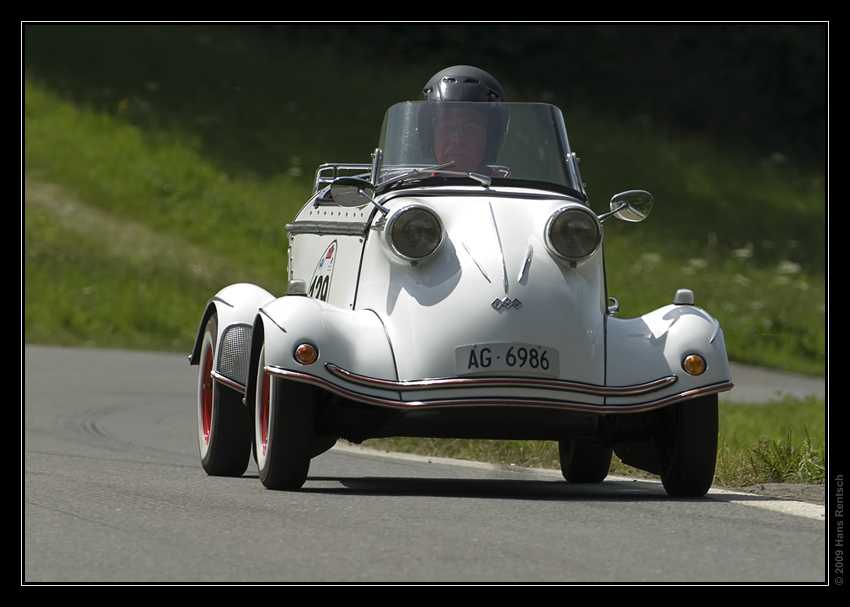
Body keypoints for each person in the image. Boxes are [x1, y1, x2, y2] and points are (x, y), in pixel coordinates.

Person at [419, 66, 509, 175]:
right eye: (447, 127)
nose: (457, 139)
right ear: (429, 136)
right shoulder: (412, 190)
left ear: (490, 140)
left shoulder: (506, 191)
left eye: (470, 128)